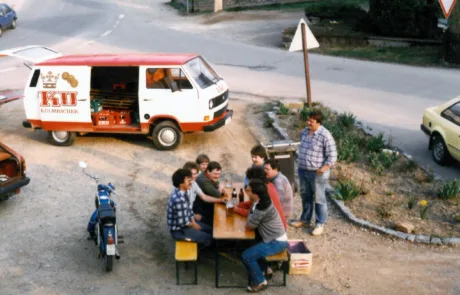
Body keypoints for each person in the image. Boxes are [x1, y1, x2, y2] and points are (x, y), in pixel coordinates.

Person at [291, 109, 337, 236]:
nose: (308, 123)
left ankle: (319, 224)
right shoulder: (305, 132)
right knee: (305, 197)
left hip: (317, 174)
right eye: (308, 120)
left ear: (318, 122)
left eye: (311, 121)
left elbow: (332, 156)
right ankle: (305, 220)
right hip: (303, 171)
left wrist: (323, 169)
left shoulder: (325, 135)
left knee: (319, 199)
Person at [241, 180, 288, 293]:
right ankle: (265, 270)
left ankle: (260, 282)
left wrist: (250, 217)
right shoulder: (260, 201)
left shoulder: (262, 209)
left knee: (247, 256)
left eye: (249, 190)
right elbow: (250, 217)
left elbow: (249, 225)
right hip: (271, 238)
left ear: (255, 194)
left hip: (276, 242)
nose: (247, 190)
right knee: (248, 244)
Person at [167, 169, 213, 248]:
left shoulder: (184, 191)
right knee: (209, 238)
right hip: (180, 230)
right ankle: (201, 250)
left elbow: (189, 210)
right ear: (181, 183)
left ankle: (202, 242)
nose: (191, 182)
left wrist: (194, 222)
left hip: (188, 222)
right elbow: (183, 223)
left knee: (211, 230)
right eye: (188, 180)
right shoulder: (179, 199)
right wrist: (194, 225)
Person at [194, 161, 226, 226]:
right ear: (208, 171)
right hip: (201, 209)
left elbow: (217, 183)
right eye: (215, 174)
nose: (217, 176)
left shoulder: (207, 175)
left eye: (219, 174)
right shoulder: (202, 180)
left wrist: (219, 186)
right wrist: (220, 187)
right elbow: (217, 195)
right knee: (222, 218)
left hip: (207, 202)